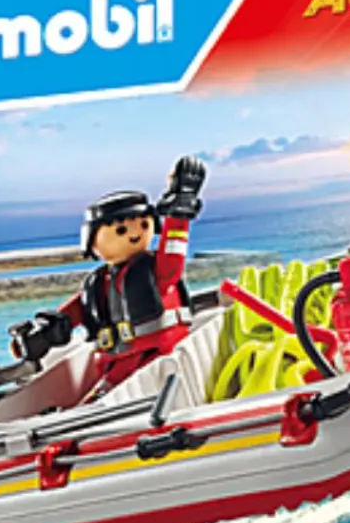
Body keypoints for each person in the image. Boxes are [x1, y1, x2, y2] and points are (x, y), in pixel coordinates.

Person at [12, 156, 207, 397]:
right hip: (114, 364)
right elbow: (72, 314)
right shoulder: (97, 284)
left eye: (143, 225)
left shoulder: (154, 270)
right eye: (121, 230)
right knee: (98, 400)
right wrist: (43, 333)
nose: (134, 234)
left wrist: (179, 213)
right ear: (92, 240)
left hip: (160, 355)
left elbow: (173, 257)